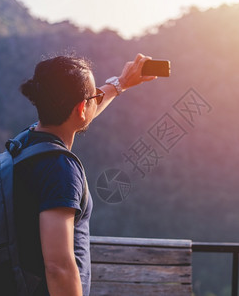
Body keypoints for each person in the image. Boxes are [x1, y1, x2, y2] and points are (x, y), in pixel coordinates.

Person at [13, 53, 157, 296]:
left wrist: (119, 84)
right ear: (81, 107)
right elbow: (58, 267)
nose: (96, 100)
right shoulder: (59, 168)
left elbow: (79, 109)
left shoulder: (25, 143)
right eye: (93, 97)